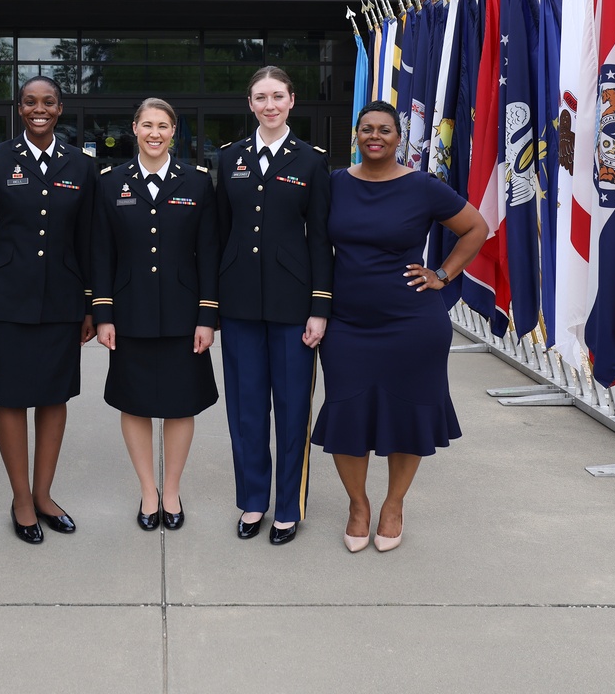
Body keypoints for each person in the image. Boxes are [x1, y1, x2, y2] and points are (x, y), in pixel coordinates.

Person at [312, 100, 487, 552]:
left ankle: (393, 505)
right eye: (366, 128)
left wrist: (442, 275)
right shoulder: (334, 184)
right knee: (348, 413)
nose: (375, 136)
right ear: (355, 135)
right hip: (347, 324)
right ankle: (358, 506)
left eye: (385, 130)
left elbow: (476, 228)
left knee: (408, 415)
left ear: (398, 137)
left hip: (412, 323)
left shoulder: (423, 187)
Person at [0, 76, 96, 545]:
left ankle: (44, 495)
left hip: (62, 301)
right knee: (12, 398)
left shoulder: (81, 165)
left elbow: (89, 241)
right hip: (5, 303)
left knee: (54, 397)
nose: (40, 109)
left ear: (60, 109)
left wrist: (92, 304)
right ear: (20, 109)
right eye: (30, 102)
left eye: (49, 102)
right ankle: (20, 499)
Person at [216, 66, 333, 546]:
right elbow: (218, 234)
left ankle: (288, 507)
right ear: (250, 103)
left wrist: (320, 307)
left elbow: (322, 238)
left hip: (293, 308)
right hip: (239, 304)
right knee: (245, 413)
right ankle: (252, 501)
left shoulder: (311, 161)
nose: (269, 105)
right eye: (261, 97)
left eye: (277, 96)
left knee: (290, 412)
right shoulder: (227, 159)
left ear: (291, 101)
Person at [93, 98, 219, 531]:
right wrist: (103, 313)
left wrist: (207, 316)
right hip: (129, 312)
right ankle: (149, 492)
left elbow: (210, 253)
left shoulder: (198, 182)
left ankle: (173, 489)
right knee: (135, 401)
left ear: (173, 132)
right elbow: (101, 252)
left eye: (163, 126)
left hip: (186, 314)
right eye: (147, 125)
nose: (154, 133)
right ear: (134, 128)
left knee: (182, 404)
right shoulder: (110, 183)